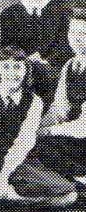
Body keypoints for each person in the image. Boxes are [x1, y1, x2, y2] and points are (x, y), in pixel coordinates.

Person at [0, 46, 76, 207]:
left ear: (26, 70)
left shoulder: (34, 101)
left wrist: (3, 177)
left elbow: (23, 143)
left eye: (17, 67)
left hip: (17, 161)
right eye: (6, 67)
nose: (12, 73)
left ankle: (5, 197)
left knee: (69, 194)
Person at [36, 12, 86, 186]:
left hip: (81, 133)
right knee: (29, 142)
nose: (77, 39)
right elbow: (59, 108)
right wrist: (34, 129)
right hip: (74, 136)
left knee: (41, 145)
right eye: (73, 32)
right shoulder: (70, 64)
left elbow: (83, 127)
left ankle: (80, 176)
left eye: (84, 33)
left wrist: (47, 132)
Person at [0, 0, 72, 78]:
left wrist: (47, 61)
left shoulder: (62, 12)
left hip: (55, 72)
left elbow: (66, 45)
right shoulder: (9, 14)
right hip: (19, 73)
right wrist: (25, 60)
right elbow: (6, 47)